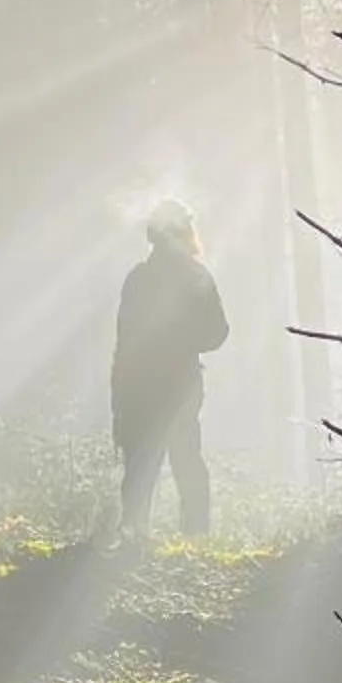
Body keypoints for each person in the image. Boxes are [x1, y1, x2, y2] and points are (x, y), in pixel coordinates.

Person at [109, 199, 229, 542]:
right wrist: (185, 342)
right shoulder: (196, 275)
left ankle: (135, 532)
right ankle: (195, 536)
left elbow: (124, 339)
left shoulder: (139, 278)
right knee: (186, 458)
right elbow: (218, 332)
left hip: (143, 386)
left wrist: (119, 391)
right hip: (180, 385)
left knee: (142, 459)